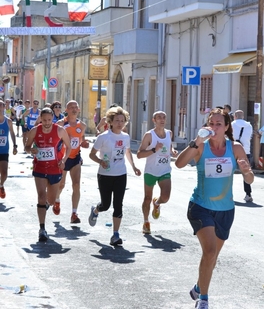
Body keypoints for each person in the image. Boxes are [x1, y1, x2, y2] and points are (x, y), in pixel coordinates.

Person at [175, 108, 254, 309]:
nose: (215, 127)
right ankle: (203, 301)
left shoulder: (235, 148)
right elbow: (179, 164)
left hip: (226, 210)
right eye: (212, 123)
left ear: (227, 127)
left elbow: (250, 180)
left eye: (219, 124)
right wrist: (195, 142)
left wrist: (247, 171)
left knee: (212, 257)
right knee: (209, 252)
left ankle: (199, 287)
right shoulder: (201, 147)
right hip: (201, 207)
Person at [89, 106, 141, 245]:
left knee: (118, 205)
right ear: (110, 122)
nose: (120, 123)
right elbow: (91, 154)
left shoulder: (126, 137)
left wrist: (134, 167)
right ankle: (95, 210)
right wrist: (100, 161)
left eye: (122, 120)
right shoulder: (103, 137)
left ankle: (115, 235)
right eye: (117, 120)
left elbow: (128, 152)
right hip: (105, 175)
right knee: (105, 205)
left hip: (120, 174)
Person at [25, 108, 71, 242]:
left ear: (52, 119)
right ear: (40, 118)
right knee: (41, 196)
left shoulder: (60, 130)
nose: (46, 123)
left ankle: (44, 207)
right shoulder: (35, 130)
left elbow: (69, 147)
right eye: (44, 120)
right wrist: (31, 150)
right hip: (39, 167)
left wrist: (64, 160)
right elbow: (27, 147)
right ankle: (42, 229)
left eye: (49, 120)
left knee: (50, 200)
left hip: (55, 169)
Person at [137, 111, 178, 234]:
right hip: (151, 171)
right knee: (147, 197)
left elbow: (169, 147)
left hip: (164, 170)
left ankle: (157, 202)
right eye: (159, 117)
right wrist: (155, 149)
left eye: (164, 117)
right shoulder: (149, 135)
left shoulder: (169, 133)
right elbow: (139, 154)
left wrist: (173, 151)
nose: (162, 119)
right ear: (153, 120)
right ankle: (146, 222)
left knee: (165, 197)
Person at [53, 100, 89, 223]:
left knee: (77, 185)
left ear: (78, 110)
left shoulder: (82, 126)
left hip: (75, 158)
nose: (74, 109)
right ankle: (57, 199)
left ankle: (74, 213)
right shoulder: (61, 124)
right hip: (63, 158)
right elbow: (55, 140)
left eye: (76, 107)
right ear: (66, 110)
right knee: (61, 185)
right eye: (71, 107)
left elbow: (81, 140)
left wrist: (84, 143)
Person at [232, 109, 253, 202]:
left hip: (233, 150)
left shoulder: (232, 124)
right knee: (246, 172)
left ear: (235, 116)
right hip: (246, 151)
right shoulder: (249, 125)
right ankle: (248, 194)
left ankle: (227, 193)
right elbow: (250, 137)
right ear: (243, 116)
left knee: (228, 173)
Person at [0, 99, 18, 199]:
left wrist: (15, 145)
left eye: (1, 105)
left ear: (4, 107)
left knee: (4, 173)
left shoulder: (8, 121)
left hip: (3, 151)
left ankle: (1, 185)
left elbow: (12, 133)